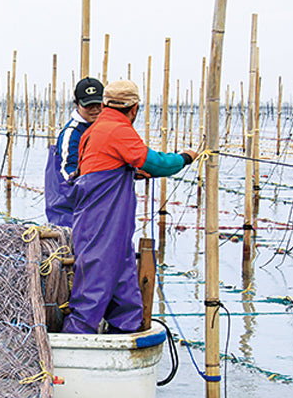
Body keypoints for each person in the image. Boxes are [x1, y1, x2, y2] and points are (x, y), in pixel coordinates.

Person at [63, 79, 197, 335]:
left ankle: (127, 331)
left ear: (104, 103)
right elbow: (156, 163)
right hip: (102, 222)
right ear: (134, 108)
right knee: (94, 281)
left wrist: (132, 173)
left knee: (124, 282)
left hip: (111, 224)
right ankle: (75, 344)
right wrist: (185, 158)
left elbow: (105, 166)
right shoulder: (117, 130)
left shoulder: (96, 129)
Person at [44, 77, 104, 227]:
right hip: (68, 208)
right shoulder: (72, 133)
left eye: (98, 104)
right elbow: (68, 171)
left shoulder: (103, 128)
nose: (95, 110)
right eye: (89, 106)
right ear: (77, 104)